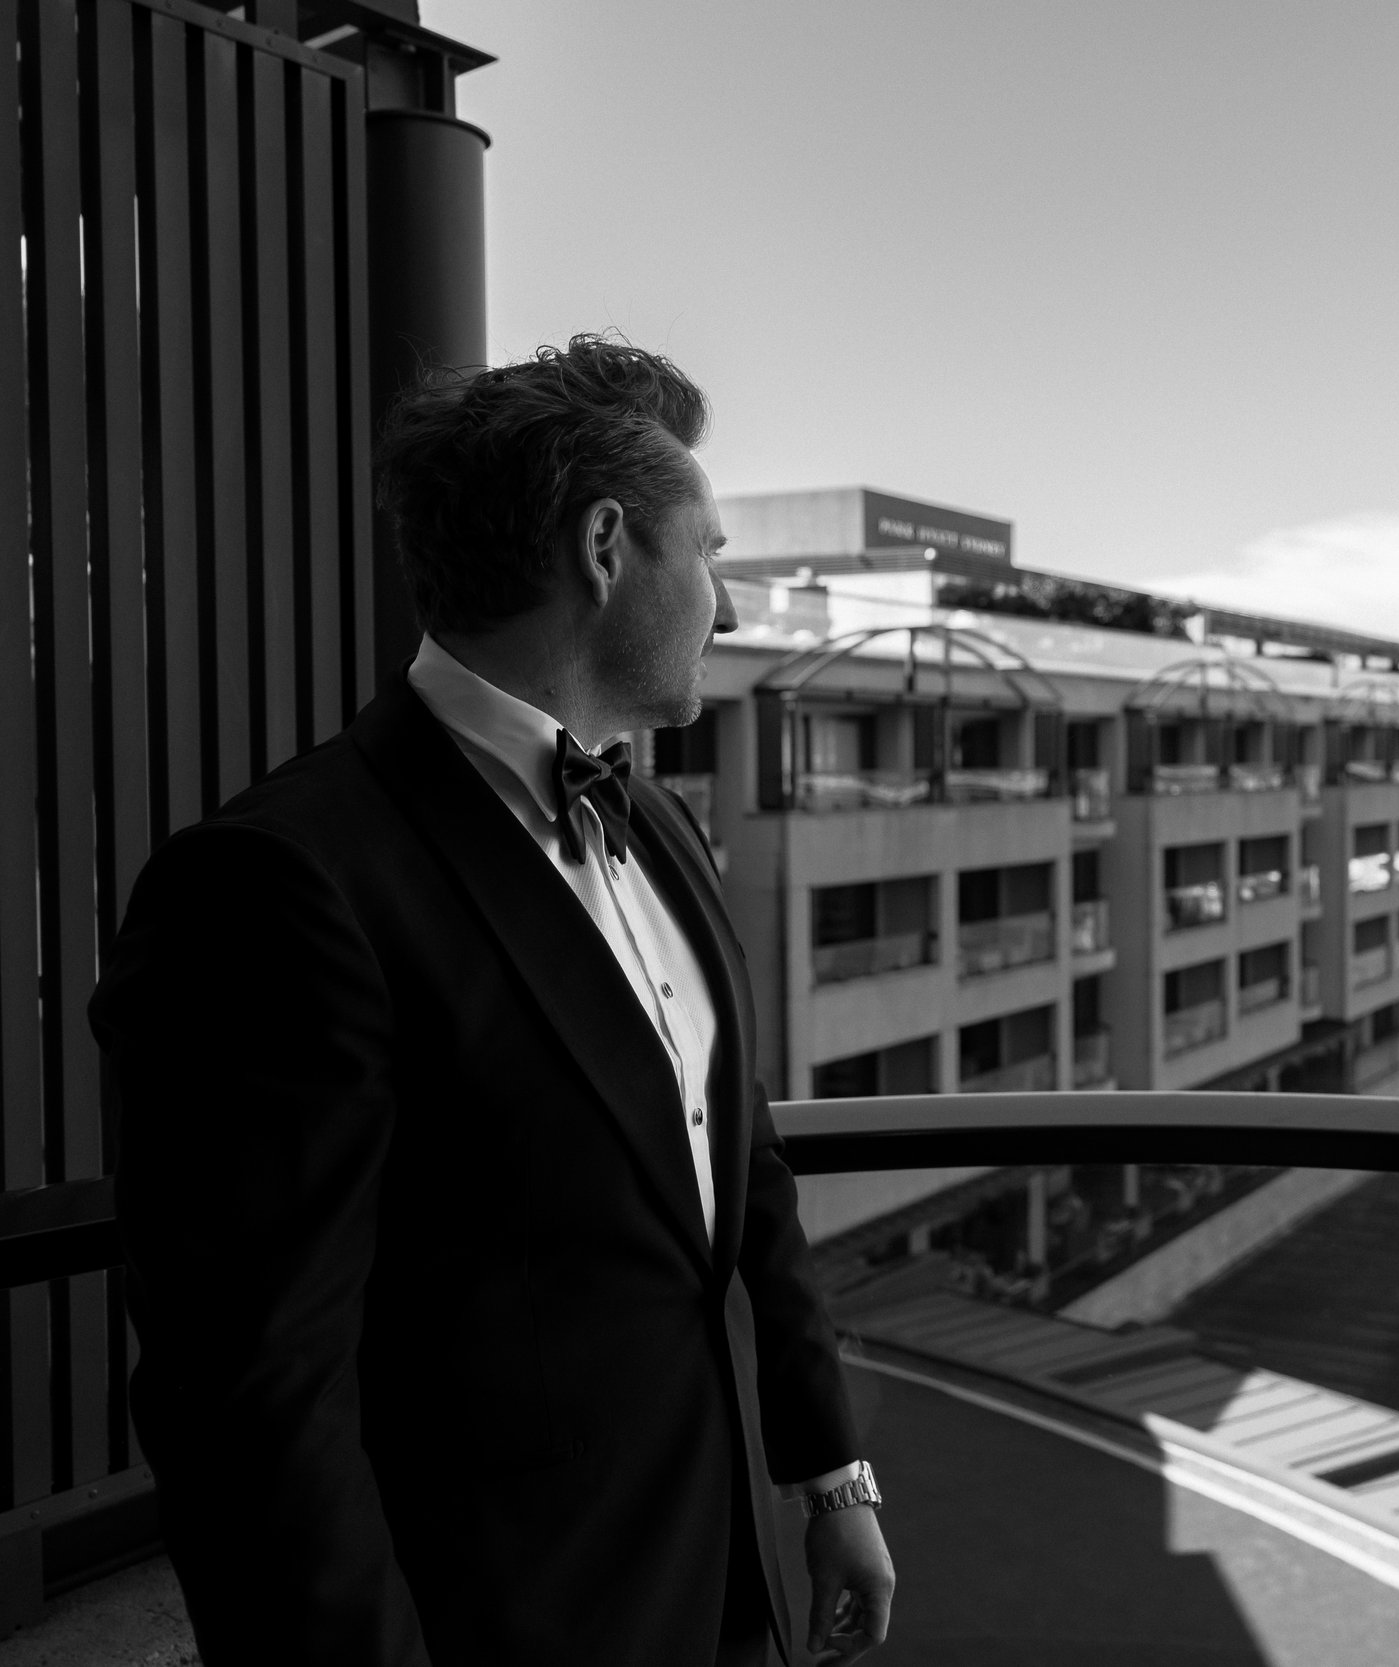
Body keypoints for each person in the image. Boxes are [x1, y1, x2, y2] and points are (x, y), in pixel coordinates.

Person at [90, 337, 894, 1666]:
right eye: (710, 555)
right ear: (604, 548)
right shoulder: (279, 885)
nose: (733, 611)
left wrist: (829, 1475)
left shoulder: (665, 828)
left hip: (721, 1584)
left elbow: (741, 1168)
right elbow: (254, 1405)